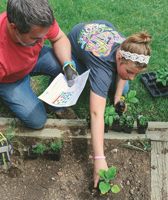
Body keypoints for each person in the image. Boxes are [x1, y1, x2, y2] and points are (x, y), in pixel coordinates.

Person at [0, 0, 78, 169]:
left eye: (43, 35)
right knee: (37, 120)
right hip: (10, 79)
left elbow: (59, 37)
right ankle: (6, 94)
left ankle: (55, 107)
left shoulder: (39, 19)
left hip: (33, 58)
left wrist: (67, 64)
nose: (43, 40)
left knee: (69, 66)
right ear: (14, 28)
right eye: (35, 37)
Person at [67, 20, 152, 188]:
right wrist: (99, 159)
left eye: (136, 73)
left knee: (125, 87)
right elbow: (96, 113)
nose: (132, 77)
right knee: (83, 80)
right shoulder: (102, 69)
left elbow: (123, 74)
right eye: (130, 72)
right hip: (73, 48)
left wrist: (117, 97)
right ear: (118, 57)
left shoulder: (126, 46)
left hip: (98, 28)